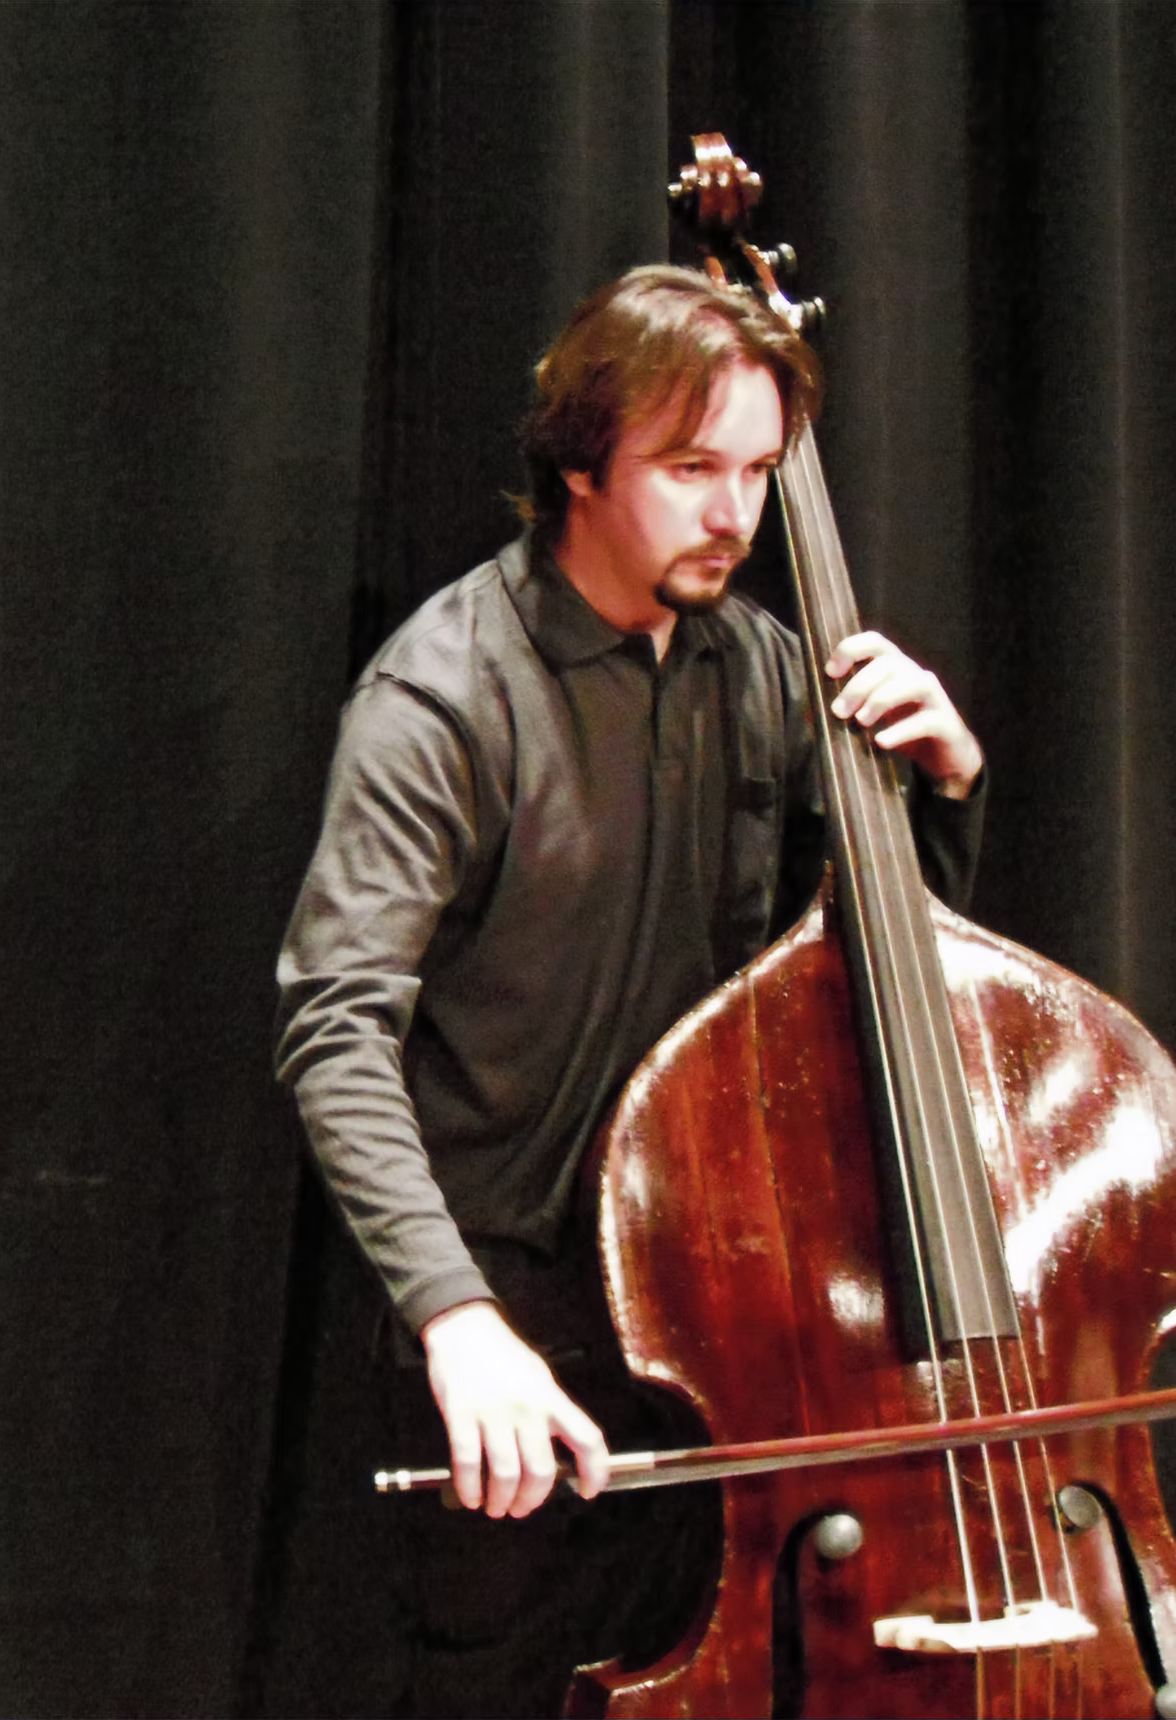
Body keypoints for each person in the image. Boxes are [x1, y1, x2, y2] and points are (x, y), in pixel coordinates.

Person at [272, 264, 985, 1716]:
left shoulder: (765, 669)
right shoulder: (442, 695)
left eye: (756, 473)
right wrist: (452, 1318)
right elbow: (332, 1025)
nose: (734, 516)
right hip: (510, 1293)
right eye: (688, 469)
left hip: (729, 1285)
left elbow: (869, 970)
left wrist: (943, 790)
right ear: (579, 464)